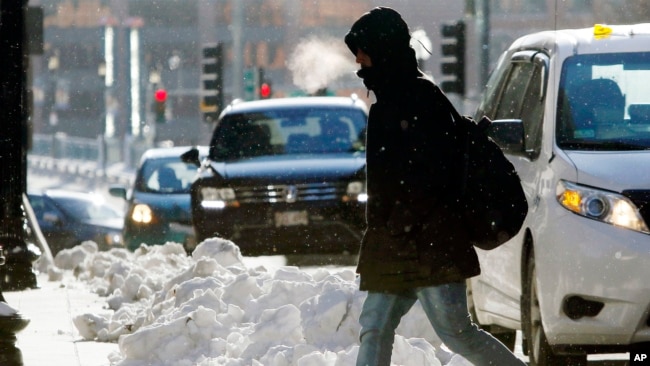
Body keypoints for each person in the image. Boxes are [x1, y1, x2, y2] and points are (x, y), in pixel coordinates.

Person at [344, 7, 526, 366]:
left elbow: (433, 175)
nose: (358, 59)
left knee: (457, 332)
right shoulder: (391, 100)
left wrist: (403, 222)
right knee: (374, 325)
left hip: (429, 243)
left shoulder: (420, 98)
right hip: (398, 241)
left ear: (382, 48)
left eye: (362, 49)